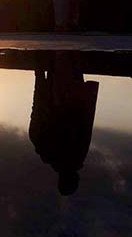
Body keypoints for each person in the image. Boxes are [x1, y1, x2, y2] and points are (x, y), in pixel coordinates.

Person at [28, 51, 99, 196]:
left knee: (65, 49)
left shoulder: (75, 156)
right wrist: (39, 74)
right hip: (62, 90)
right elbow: (37, 108)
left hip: (70, 94)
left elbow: (85, 123)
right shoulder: (43, 148)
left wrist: (40, 76)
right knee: (65, 49)